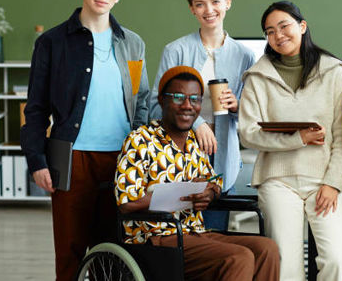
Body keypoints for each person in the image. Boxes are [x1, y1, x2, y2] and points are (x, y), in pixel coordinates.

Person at [20, 0, 149, 280]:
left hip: (122, 161)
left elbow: (141, 101)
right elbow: (35, 108)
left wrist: (142, 155)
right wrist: (37, 160)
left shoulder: (132, 44)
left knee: (118, 250)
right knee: (70, 251)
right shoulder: (51, 43)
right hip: (70, 160)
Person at [115, 66, 280, 281]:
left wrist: (208, 195)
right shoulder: (140, 140)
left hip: (195, 233)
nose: (187, 105)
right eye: (178, 97)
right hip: (157, 238)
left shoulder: (194, 143)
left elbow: (212, 182)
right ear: (163, 101)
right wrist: (175, 196)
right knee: (237, 257)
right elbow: (126, 202)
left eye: (195, 99)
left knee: (266, 248)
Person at [239, 1, 342, 281]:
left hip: (324, 181)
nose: (278, 35)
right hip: (277, 180)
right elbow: (248, 133)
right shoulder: (257, 77)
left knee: (337, 262)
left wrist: (332, 183)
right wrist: (298, 139)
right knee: (285, 267)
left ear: (302, 26)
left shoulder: (334, 72)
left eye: (284, 26)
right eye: (269, 31)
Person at [148, 0, 255, 230]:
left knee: (213, 235)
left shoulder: (245, 56)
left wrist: (237, 106)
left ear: (228, 3)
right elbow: (154, 103)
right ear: (192, 9)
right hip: (175, 157)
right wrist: (197, 124)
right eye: (200, 4)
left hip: (221, 158)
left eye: (216, 2)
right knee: (176, 238)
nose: (209, 10)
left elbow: (253, 114)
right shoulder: (176, 50)